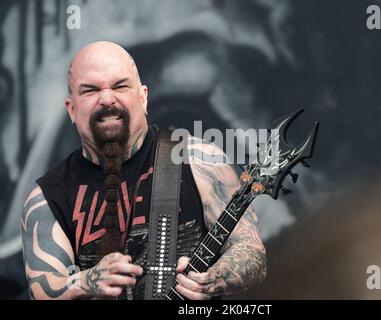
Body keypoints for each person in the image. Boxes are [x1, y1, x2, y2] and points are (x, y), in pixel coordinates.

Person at [21, 41, 266, 300]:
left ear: (143, 96)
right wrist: (86, 280)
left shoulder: (200, 161)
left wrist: (214, 279)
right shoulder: (46, 197)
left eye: (120, 86)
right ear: (72, 109)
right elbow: (42, 289)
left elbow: (250, 248)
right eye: (90, 90)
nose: (106, 99)